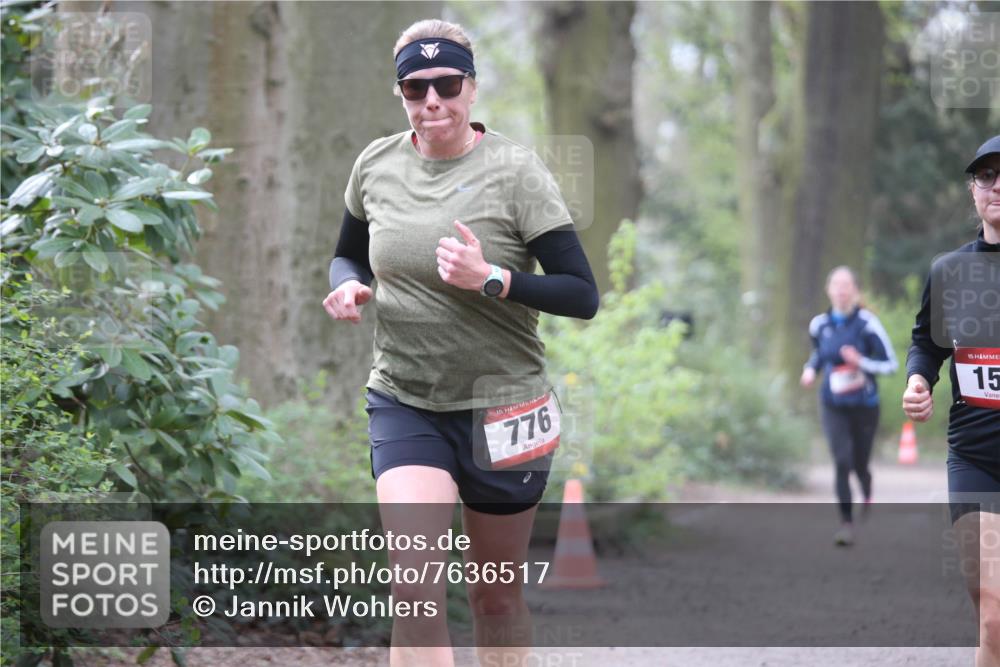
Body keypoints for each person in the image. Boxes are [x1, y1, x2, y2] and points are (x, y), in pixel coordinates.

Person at [321, 19, 599, 667]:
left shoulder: (517, 172)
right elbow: (346, 255)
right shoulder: (375, 165)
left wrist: (494, 279)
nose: (432, 101)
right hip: (406, 399)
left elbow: (581, 294)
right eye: (414, 88)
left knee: (494, 598)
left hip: (506, 406)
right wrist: (348, 286)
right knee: (414, 591)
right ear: (399, 93)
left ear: (471, 88)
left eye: (446, 84)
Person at [903, 135, 1000, 667]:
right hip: (975, 459)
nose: (997, 185)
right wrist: (919, 380)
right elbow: (926, 342)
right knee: (993, 616)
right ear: (973, 190)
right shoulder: (950, 271)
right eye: (987, 175)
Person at [801, 266, 898, 546]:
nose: (841, 291)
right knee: (841, 460)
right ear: (828, 290)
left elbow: (890, 364)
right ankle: (846, 523)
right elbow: (818, 354)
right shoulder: (819, 325)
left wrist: (861, 362)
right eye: (836, 285)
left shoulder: (867, 323)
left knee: (859, 463)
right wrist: (810, 370)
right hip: (832, 403)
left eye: (847, 285)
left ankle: (866, 487)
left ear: (855, 291)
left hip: (864, 405)